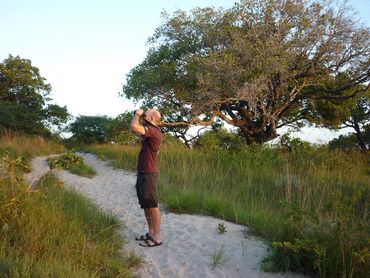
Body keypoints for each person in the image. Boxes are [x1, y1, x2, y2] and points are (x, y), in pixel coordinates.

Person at [130, 108, 163, 247]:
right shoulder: (148, 131)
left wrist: (137, 114)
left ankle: (157, 237)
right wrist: (139, 116)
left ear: (152, 118)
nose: (144, 115)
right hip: (143, 171)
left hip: (149, 173)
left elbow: (134, 126)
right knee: (145, 205)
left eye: (146, 114)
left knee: (152, 205)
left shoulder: (154, 131)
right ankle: (150, 232)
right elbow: (134, 129)